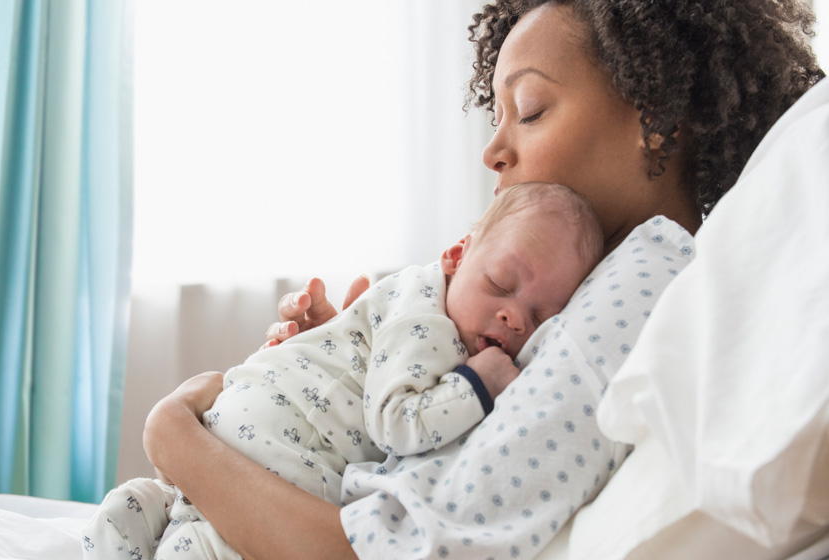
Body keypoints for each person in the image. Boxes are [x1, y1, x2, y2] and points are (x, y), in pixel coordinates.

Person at [141, 1, 824, 559]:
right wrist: (347, 383)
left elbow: (394, 549)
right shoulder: (582, 292)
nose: (493, 151)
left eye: (527, 110)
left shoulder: (639, 291)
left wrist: (174, 434)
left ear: (654, 116)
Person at [85, 182, 605, 559]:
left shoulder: (412, 298)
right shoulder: (431, 320)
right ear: (455, 257)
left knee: (127, 515)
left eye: (541, 317)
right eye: (500, 283)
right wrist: (478, 383)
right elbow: (397, 421)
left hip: (233, 443)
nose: (516, 316)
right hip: (272, 464)